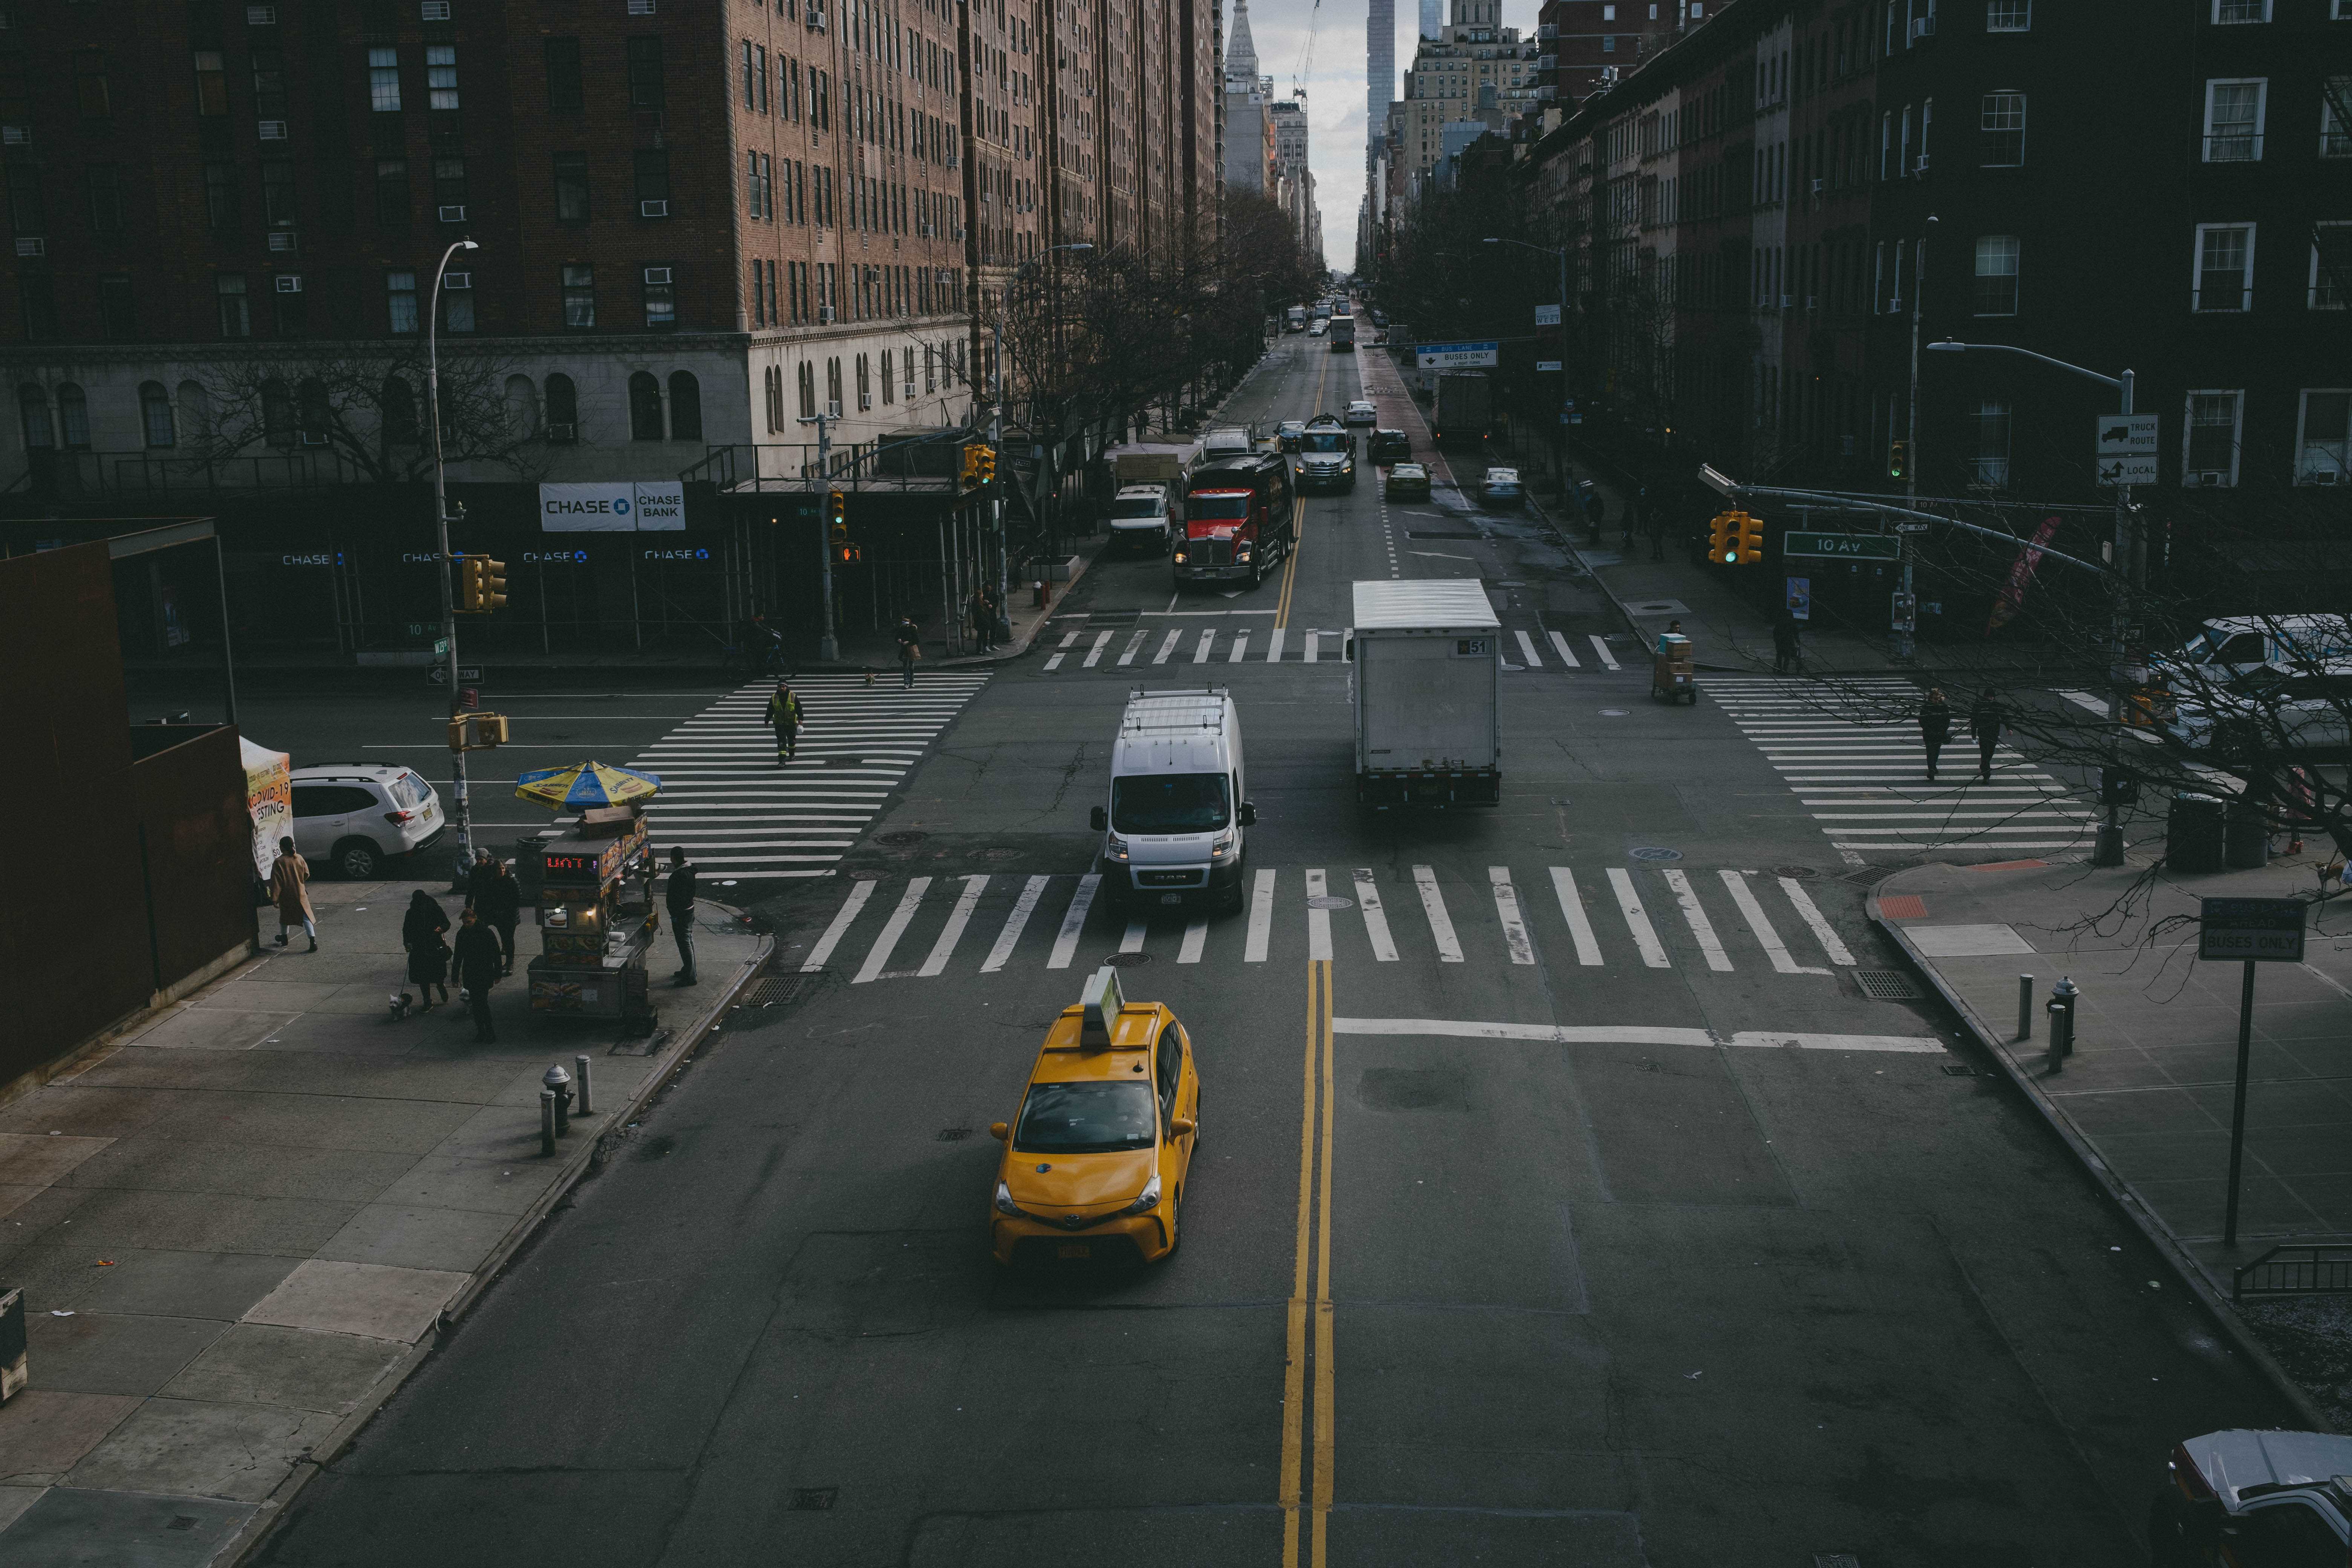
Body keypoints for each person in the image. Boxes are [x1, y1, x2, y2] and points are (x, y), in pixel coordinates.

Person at [452, 907, 504, 1042]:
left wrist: (498, 973)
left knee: (481, 1003)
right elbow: (458, 956)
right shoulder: (466, 934)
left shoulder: (486, 933)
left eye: (468, 922)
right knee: (478, 1003)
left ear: (475, 919)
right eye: (465, 923)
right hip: (474, 972)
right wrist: (455, 976)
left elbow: (496, 955)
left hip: (483, 972)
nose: (466, 925)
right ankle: (484, 1031)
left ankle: (486, 1031)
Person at [402, 890, 450, 1011]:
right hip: (419, 949)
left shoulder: (434, 909)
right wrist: (408, 943)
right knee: (423, 977)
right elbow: (406, 930)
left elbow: (446, 923)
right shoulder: (411, 913)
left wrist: (441, 928)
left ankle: (440, 986)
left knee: (437, 972)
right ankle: (427, 1001)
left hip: (433, 946)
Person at [476, 855, 521, 976]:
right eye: (499, 869)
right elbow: (489, 898)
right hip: (499, 916)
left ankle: (510, 962)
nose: (501, 871)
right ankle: (507, 963)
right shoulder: (492, 883)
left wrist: (506, 910)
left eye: (503, 869)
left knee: (508, 939)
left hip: (510, 917)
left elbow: (518, 900)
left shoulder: (512, 881)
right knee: (505, 939)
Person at [268, 837, 315, 952]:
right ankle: (312, 941)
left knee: (285, 917)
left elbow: (277, 883)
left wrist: (275, 898)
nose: (279, 847)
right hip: (300, 893)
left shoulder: (279, 862)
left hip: (287, 895)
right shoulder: (299, 858)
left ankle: (284, 938)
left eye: (280, 846)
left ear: (283, 847)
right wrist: (300, 883)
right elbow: (307, 874)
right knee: (306, 918)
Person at [665, 845, 698, 987]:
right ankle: (689, 970)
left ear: (673, 858)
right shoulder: (688, 871)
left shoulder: (680, 875)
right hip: (688, 911)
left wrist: (674, 914)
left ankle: (690, 976)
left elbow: (677, 897)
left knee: (685, 944)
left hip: (682, 914)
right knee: (688, 941)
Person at [767, 677, 803, 766]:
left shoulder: (793, 696)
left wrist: (801, 719)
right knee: (781, 742)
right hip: (779, 724)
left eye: (784, 687)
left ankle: (792, 755)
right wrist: (767, 720)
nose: (782, 688)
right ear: (778, 688)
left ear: (787, 687)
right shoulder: (774, 698)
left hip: (791, 723)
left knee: (792, 741)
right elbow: (770, 710)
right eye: (781, 687)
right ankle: (782, 760)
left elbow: (799, 708)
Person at [1919, 688, 1953, 782]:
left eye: (1938, 699)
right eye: (1935, 699)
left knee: (1936, 751)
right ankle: (1931, 769)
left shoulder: (1943, 707)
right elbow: (1922, 720)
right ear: (1931, 698)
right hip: (1930, 734)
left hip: (1938, 733)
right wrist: (1927, 729)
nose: (1936, 700)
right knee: (1930, 751)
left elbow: (1947, 720)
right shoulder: (1927, 707)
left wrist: (1943, 730)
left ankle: (1933, 765)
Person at [1969, 692, 2004, 783]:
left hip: (1994, 734)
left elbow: (2005, 716)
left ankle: (1984, 766)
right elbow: (1974, 720)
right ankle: (1986, 775)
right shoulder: (1980, 706)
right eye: (1989, 696)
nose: (1990, 698)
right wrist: (1973, 733)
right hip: (1983, 734)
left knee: (1990, 753)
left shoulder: (1996, 706)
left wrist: (2010, 728)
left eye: (1992, 697)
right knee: (1985, 754)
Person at [968, 583, 998, 653]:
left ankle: (984, 647)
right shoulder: (978, 605)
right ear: (979, 596)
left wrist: (987, 603)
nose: (983, 596)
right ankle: (980, 649)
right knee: (981, 636)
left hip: (984, 622)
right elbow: (980, 614)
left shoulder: (981, 602)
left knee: (983, 635)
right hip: (981, 623)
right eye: (982, 595)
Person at [894, 615, 922, 688]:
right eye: (904, 625)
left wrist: (908, 642)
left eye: (906, 625)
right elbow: (896, 637)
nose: (905, 626)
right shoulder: (901, 629)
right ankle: (906, 683)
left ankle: (912, 682)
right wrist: (899, 640)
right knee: (905, 667)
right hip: (904, 650)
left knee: (911, 667)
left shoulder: (913, 629)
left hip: (911, 650)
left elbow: (917, 640)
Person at [1772, 610, 1802, 675]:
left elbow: (1775, 632)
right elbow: (1796, 632)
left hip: (1780, 641)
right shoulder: (1792, 622)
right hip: (1788, 641)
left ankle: (1779, 669)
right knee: (1787, 656)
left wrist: (1776, 640)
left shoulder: (1780, 622)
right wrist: (1798, 640)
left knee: (1779, 655)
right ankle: (1785, 670)